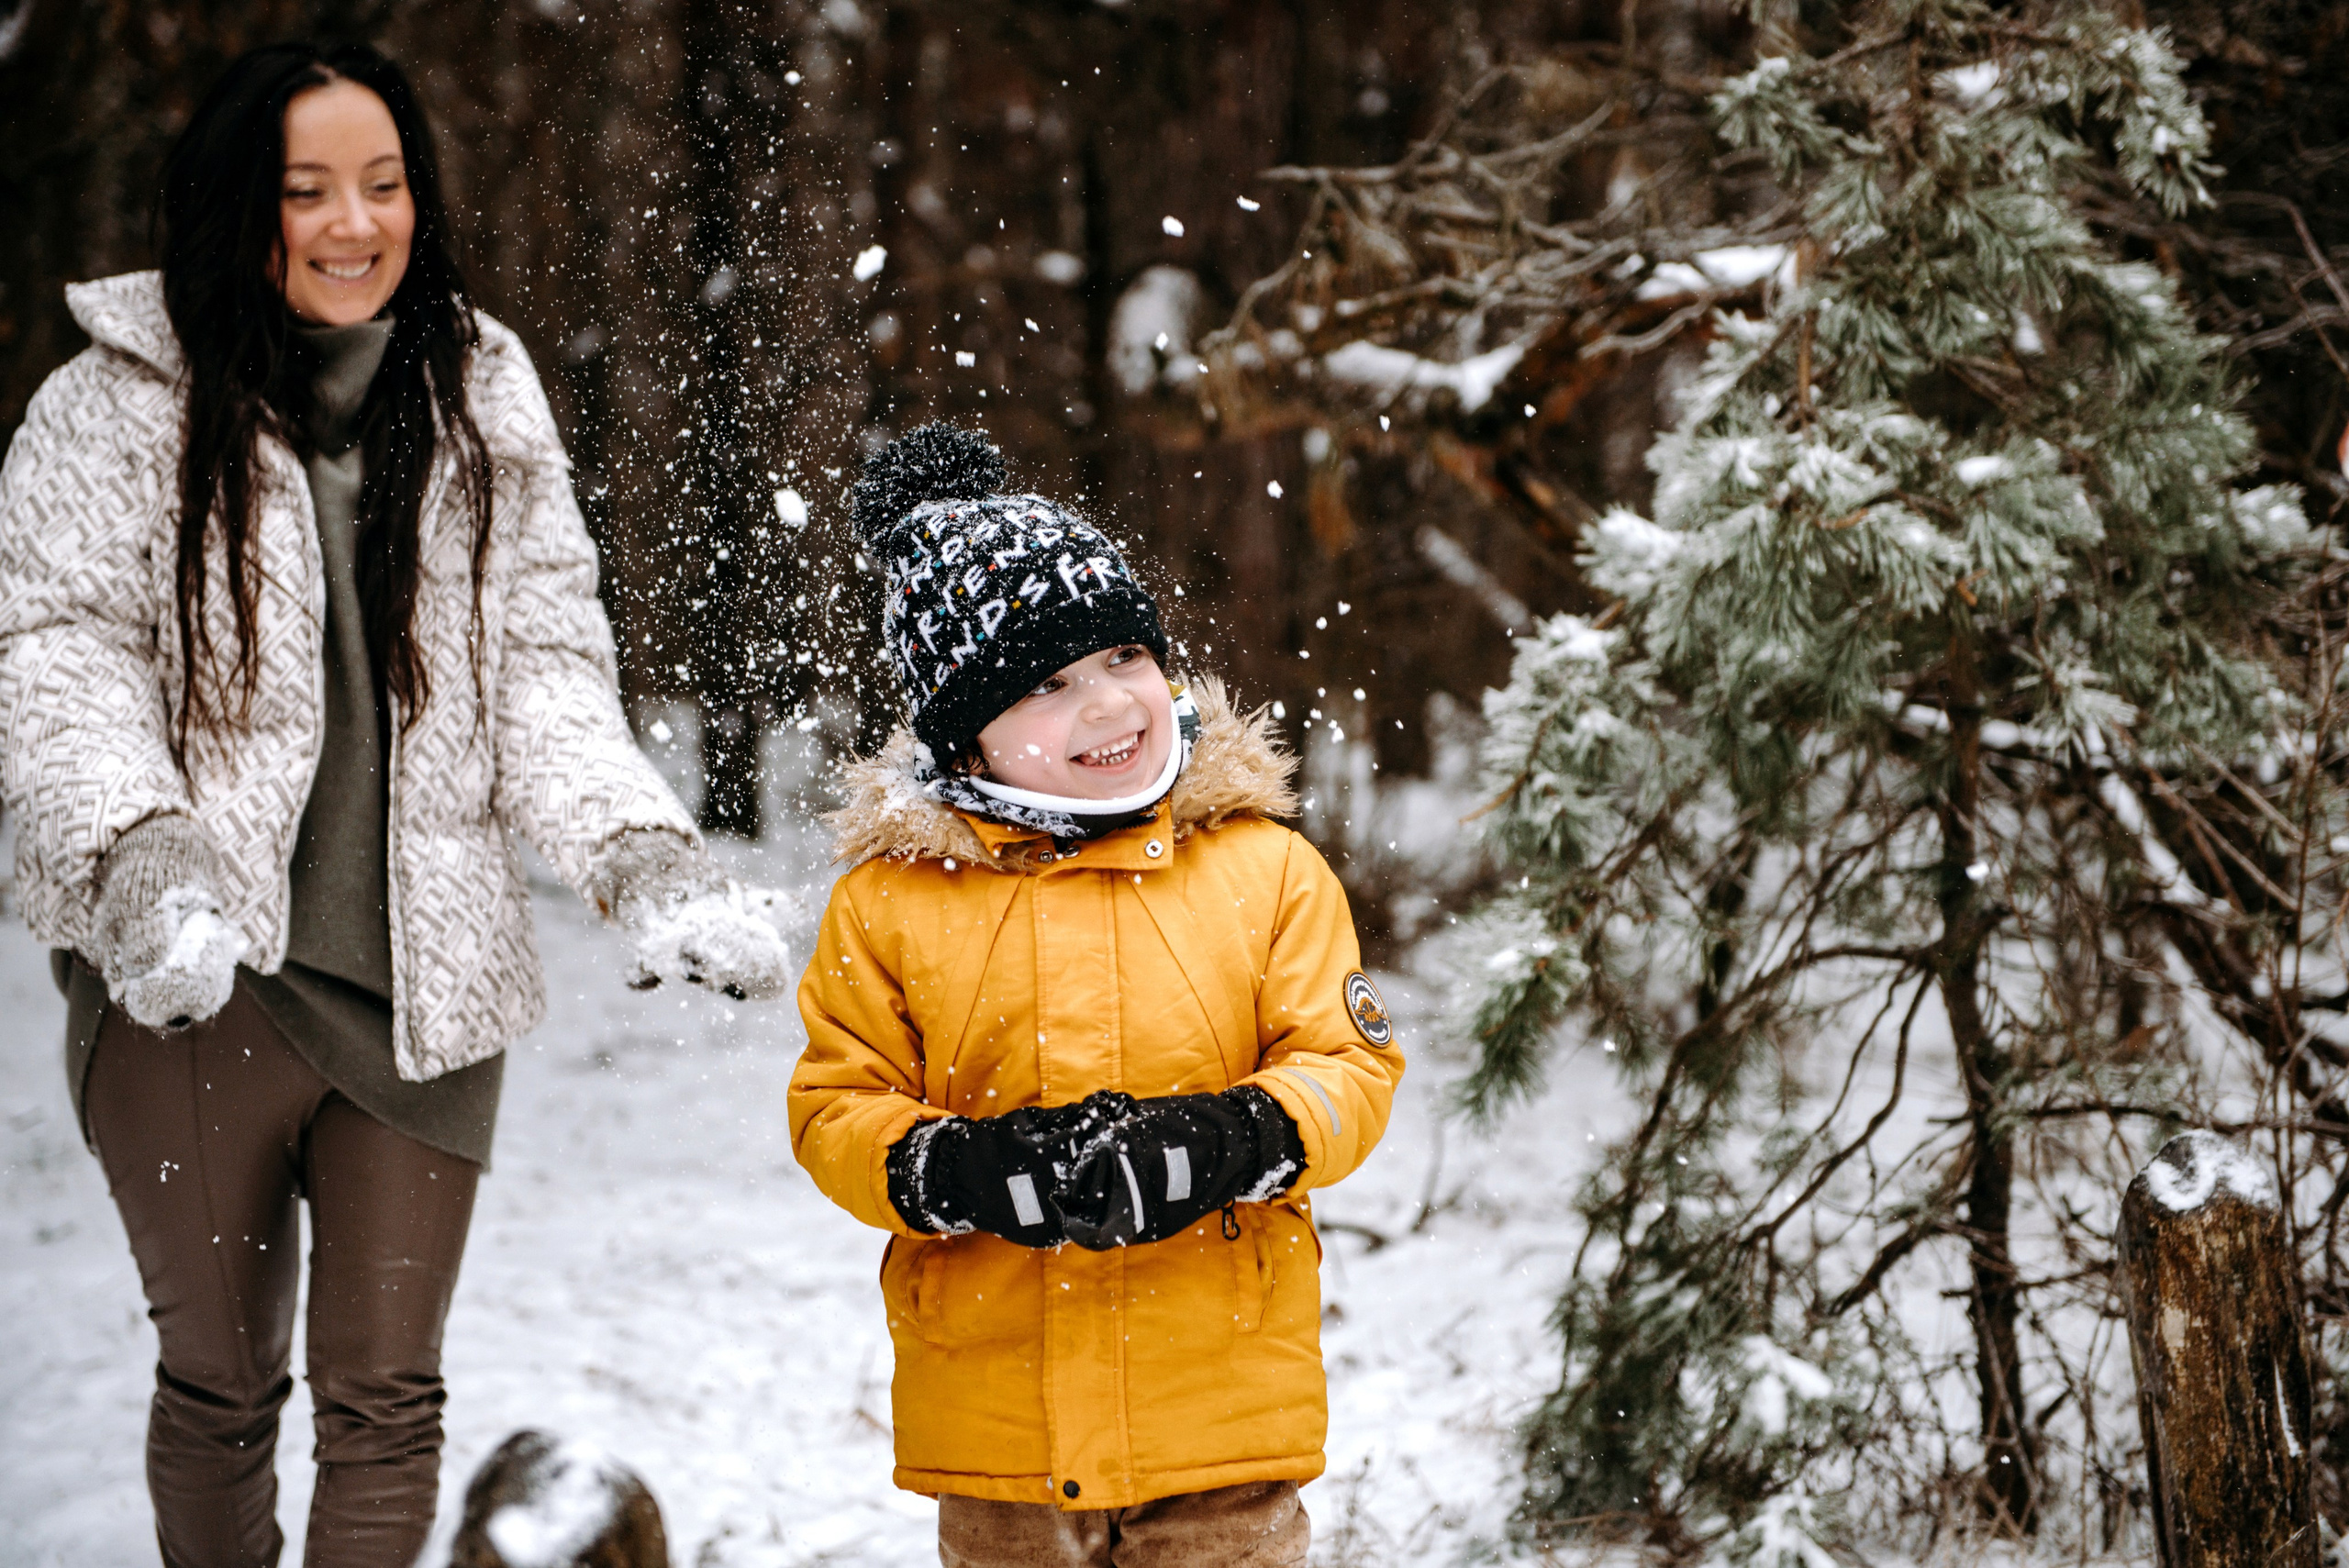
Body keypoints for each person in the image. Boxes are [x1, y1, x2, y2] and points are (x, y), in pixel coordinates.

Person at [0, 40, 789, 1568]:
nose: (355, 223)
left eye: (385, 183)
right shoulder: (105, 410)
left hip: (424, 995)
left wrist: (647, 858)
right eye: (307, 191)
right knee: (223, 1385)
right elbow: (55, 661)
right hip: (191, 984)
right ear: (238, 206)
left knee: (389, 1395)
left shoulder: (479, 386)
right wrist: (142, 863)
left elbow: (549, 673)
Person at [790, 424, 1405, 1568]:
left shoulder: (1263, 866)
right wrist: (961, 1168)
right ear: (961, 732)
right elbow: (836, 1106)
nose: (1109, 706)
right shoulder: (890, 903)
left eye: (1124, 659)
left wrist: (1236, 1136)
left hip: (1219, 1414)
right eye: (1047, 685)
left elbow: (1350, 1066)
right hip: (1001, 1429)